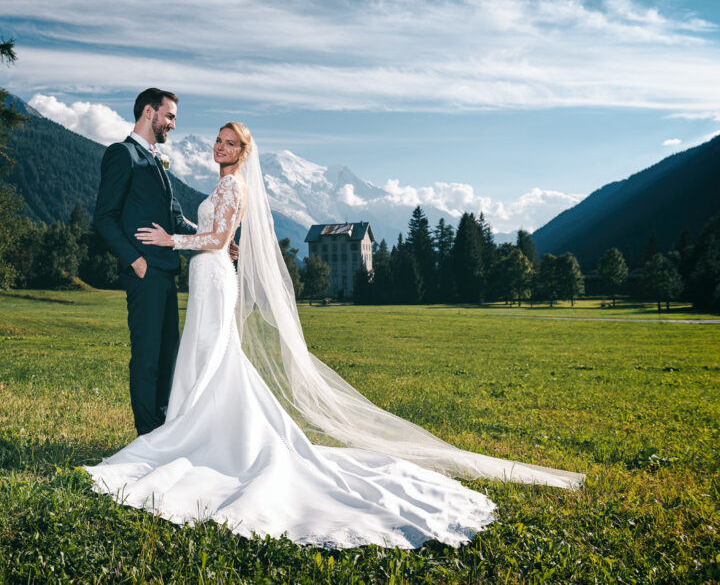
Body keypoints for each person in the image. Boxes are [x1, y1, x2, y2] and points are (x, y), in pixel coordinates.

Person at [86, 122, 584, 549]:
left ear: (243, 153)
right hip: (208, 276)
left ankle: (204, 436)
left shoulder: (235, 186)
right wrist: (216, 243)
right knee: (207, 356)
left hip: (213, 276)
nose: (220, 147)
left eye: (230, 143)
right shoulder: (224, 187)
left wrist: (174, 239)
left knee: (217, 358)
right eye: (218, 140)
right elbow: (224, 236)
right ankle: (197, 429)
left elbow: (215, 240)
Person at [94, 88, 238, 436]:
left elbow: (177, 221)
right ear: (149, 113)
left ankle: (161, 431)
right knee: (146, 358)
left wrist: (218, 242)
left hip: (167, 273)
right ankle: (146, 434)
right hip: (144, 273)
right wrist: (135, 261)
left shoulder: (156, 161)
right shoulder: (123, 155)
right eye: (169, 116)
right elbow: (104, 218)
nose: (172, 124)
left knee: (167, 357)